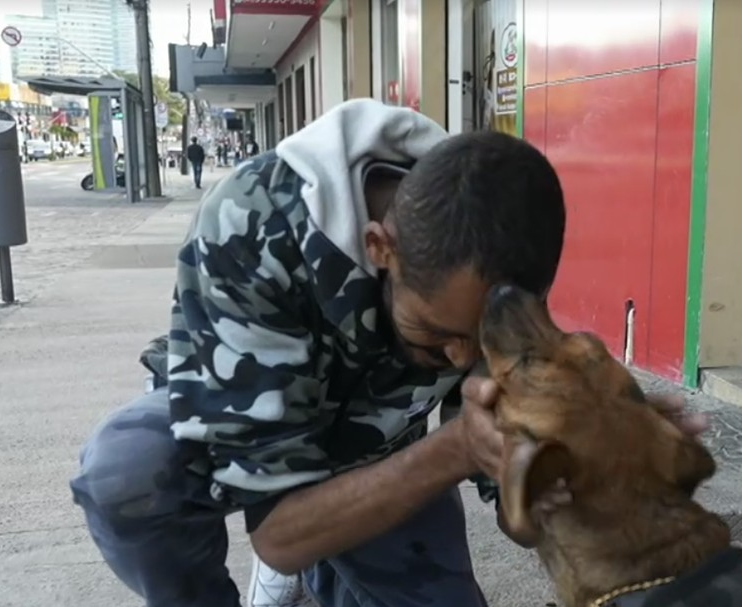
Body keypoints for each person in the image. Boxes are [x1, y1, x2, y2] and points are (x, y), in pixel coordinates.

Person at [69, 99, 707, 607]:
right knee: (126, 470)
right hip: (245, 426)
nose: (462, 361)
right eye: (436, 334)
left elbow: (519, 519)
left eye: (477, 339)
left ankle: (339, 566)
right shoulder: (248, 224)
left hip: (378, 446)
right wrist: (453, 450)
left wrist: (603, 445)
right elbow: (279, 534)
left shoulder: (494, 238)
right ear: (381, 247)